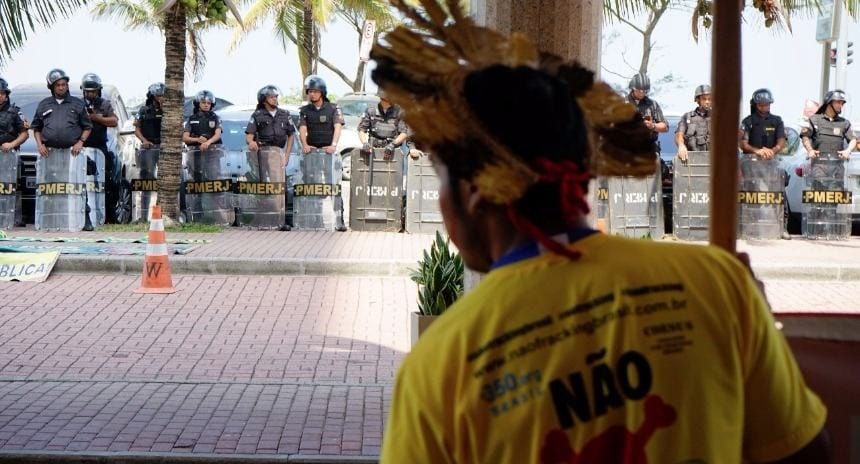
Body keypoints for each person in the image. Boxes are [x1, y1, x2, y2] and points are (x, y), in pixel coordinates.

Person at [371, 1, 830, 463]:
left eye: (443, 177)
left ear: (475, 192)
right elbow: (807, 453)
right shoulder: (715, 281)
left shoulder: (440, 368)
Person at [31, 68, 94, 230]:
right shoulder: (44, 104)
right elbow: (36, 128)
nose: (61, 88)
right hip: (50, 155)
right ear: (51, 87)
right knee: (52, 188)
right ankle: (52, 220)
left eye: (64, 84)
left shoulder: (77, 104)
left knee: (77, 187)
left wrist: (80, 142)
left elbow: (87, 127)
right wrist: (40, 145)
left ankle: (84, 219)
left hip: (72, 155)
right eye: (58, 85)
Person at [739, 88, 790, 239]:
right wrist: (758, 151)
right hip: (751, 166)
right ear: (756, 104)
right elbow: (742, 143)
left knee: (778, 197)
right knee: (751, 197)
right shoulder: (747, 121)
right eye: (761, 104)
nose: (764, 107)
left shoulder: (777, 120)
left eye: (767, 104)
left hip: (771, 164)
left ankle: (783, 228)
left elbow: (781, 141)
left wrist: (773, 151)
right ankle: (750, 228)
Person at [299, 75, 347, 231]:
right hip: (312, 154)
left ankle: (339, 221)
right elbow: (303, 128)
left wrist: (333, 145)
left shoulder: (333, 108)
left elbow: (338, 126)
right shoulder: (305, 110)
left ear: (322, 92)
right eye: (309, 91)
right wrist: (305, 144)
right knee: (311, 187)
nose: (311, 94)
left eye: (314, 91)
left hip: (329, 154)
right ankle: (314, 220)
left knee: (333, 187)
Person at [246, 85, 295, 231]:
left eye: (276, 96)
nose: (275, 99)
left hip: (278, 154)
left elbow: (291, 135)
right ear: (264, 100)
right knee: (264, 187)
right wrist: (252, 142)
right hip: (262, 154)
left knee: (280, 187)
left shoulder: (284, 114)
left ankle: (281, 219)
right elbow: (249, 135)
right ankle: (264, 218)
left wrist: (286, 155)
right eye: (271, 97)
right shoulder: (257, 115)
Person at [80, 73, 118, 225]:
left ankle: (109, 214)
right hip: (82, 147)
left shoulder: (104, 104)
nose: (91, 94)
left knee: (108, 182)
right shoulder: (78, 104)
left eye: (94, 91)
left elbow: (114, 121)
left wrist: (98, 119)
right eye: (88, 91)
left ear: (98, 91)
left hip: (100, 148)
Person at [801, 89, 857, 187]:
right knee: (819, 198)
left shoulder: (844, 123)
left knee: (835, 199)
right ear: (829, 102)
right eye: (838, 102)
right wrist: (810, 150)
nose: (841, 106)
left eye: (842, 103)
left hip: (837, 169)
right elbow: (805, 136)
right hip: (819, 167)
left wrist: (847, 151)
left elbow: (853, 140)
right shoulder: (815, 120)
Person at [358, 90, 408, 158]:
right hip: (373, 149)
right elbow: (362, 129)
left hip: (392, 150)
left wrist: (393, 145)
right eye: (387, 100)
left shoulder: (399, 111)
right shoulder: (371, 110)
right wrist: (365, 143)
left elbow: (404, 133)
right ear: (381, 99)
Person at [627, 72, 668, 149]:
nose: (642, 93)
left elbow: (665, 127)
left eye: (644, 91)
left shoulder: (652, 104)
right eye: (639, 90)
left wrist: (653, 126)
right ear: (632, 88)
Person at [675, 84, 712, 162]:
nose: (707, 102)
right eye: (704, 99)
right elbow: (679, 134)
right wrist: (681, 146)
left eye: (709, 99)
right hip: (692, 161)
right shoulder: (688, 117)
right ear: (698, 100)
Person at [0, 78, 29, 154]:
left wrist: (11, 145)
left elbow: (25, 134)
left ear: (6, 96)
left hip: (8, 156)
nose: (0, 95)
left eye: (2, 93)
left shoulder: (15, 112)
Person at [135, 83, 165, 149]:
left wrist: (163, 108)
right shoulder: (143, 110)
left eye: (163, 95)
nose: (162, 97)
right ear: (153, 96)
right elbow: (137, 129)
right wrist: (144, 141)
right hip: (148, 147)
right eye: (159, 95)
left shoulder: (169, 111)